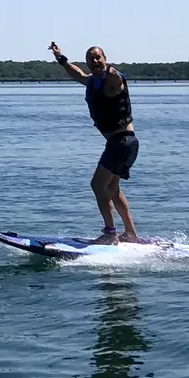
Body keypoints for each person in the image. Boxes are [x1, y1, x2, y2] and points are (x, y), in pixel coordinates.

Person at [49, 41, 144, 244]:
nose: (94, 61)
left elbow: (117, 82)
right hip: (121, 143)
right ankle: (131, 234)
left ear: (105, 59)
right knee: (112, 189)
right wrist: (61, 58)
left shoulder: (112, 79)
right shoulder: (92, 81)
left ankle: (110, 234)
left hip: (122, 142)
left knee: (97, 184)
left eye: (97, 57)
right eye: (90, 59)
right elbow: (78, 75)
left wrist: (112, 72)